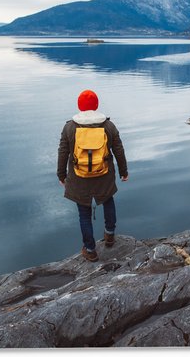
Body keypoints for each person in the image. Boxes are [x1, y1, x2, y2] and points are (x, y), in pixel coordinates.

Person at [57, 90, 129, 262]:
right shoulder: (108, 126)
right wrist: (123, 171)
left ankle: (90, 250)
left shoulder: (70, 127)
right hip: (104, 175)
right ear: (96, 106)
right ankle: (110, 235)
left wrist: (61, 174)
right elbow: (118, 149)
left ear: (79, 107)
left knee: (84, 213)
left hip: (79, 177)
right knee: (108, 201)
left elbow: (63, 152)